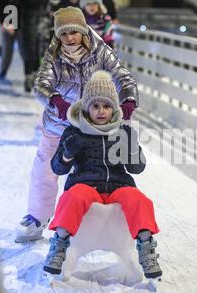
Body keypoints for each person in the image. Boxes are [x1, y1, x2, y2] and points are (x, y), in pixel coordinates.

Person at [15, 6, 138, 243]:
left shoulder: (100, 50)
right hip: (59, 122)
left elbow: (122, 75)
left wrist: (129, 99)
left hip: (94, 123)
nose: (69, 38)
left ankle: (88, 222)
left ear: (83, 30)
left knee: (94, 172)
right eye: (63, 33)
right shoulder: (54, 54)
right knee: (46, 166)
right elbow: (41, 83)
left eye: (74, 32)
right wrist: (55, 101)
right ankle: (37, 217)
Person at [43, 70, 162, 279]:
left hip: (118, 185)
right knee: (72, 197)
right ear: (86, 107)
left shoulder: (123, 132)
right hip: (85, 183)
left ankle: (146, 248)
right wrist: (68, 155)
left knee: (139, 200)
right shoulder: (74, 131)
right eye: (95, 106)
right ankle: (60, 245)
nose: (101, 111)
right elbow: (57, 168)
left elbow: (137, 169)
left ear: (113, 108)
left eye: (106, 106)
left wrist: (132, 149)